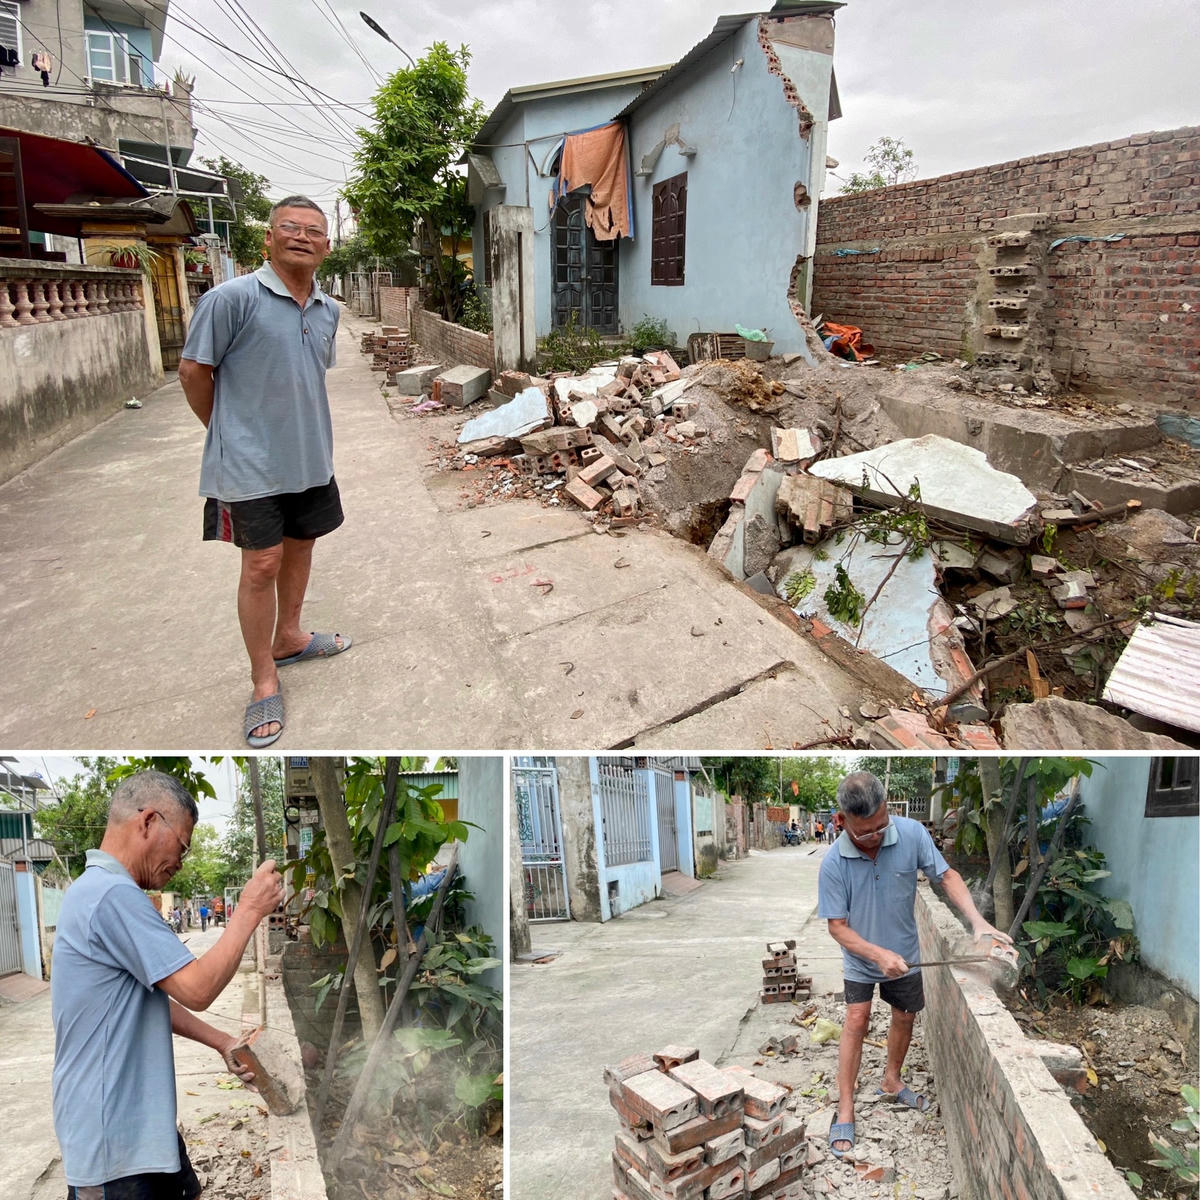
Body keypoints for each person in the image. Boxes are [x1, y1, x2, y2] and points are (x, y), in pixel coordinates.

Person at [51, 770, 284, 1199]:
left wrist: (222, 1041)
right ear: (148, 822)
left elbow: (147, 998)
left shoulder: (103, 892)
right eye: (182, 845)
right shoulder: (110, 895)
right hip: (114, 1144)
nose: (181, 861)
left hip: (139, 1129)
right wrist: (250, 908)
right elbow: (197, 988)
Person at [179, 196, 350, 749]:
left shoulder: (328, 310)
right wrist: (226, 432)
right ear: (268, 240)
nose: (302, 236)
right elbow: (192, 372)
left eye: (314, 231)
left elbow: (307, 377)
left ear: (326, 247)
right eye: (290, 228)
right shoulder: (231, 299)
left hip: (309, 457)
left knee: (301, 545)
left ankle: (290, 637)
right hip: (248, 465)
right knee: (261, 564)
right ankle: (263, 680)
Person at [816, 771, 1011, 1160]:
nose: (876, 836)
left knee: (904, 1016)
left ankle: (891, 1080)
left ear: (887, 808)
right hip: (861, 959)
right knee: (856, 1020)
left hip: (907, 953)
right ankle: (846, 1107)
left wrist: (978, 921)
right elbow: (837, 927)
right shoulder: (833, 863)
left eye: (881, 825)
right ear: (842, 821)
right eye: (865, 832)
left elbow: (946, 875)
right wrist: (877, 955)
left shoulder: (912, 835)